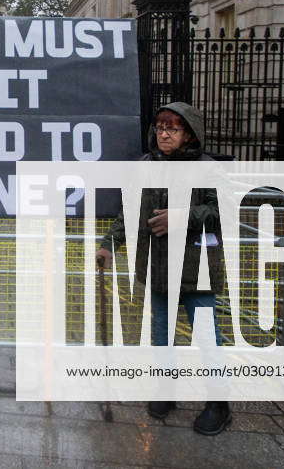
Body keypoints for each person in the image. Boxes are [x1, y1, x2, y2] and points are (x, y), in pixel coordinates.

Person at [96, 101, 231, 435]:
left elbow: (222, 211)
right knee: (160, 334)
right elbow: (131, 211)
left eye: (172, 128)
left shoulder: (207, 167)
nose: (164, 134)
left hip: (196, 266)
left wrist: (182, 216)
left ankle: (219, 404)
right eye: (160, 127)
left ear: (188, 134)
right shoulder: (146, 166)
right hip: (157, 267)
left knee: (206, 336)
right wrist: (109, 244)